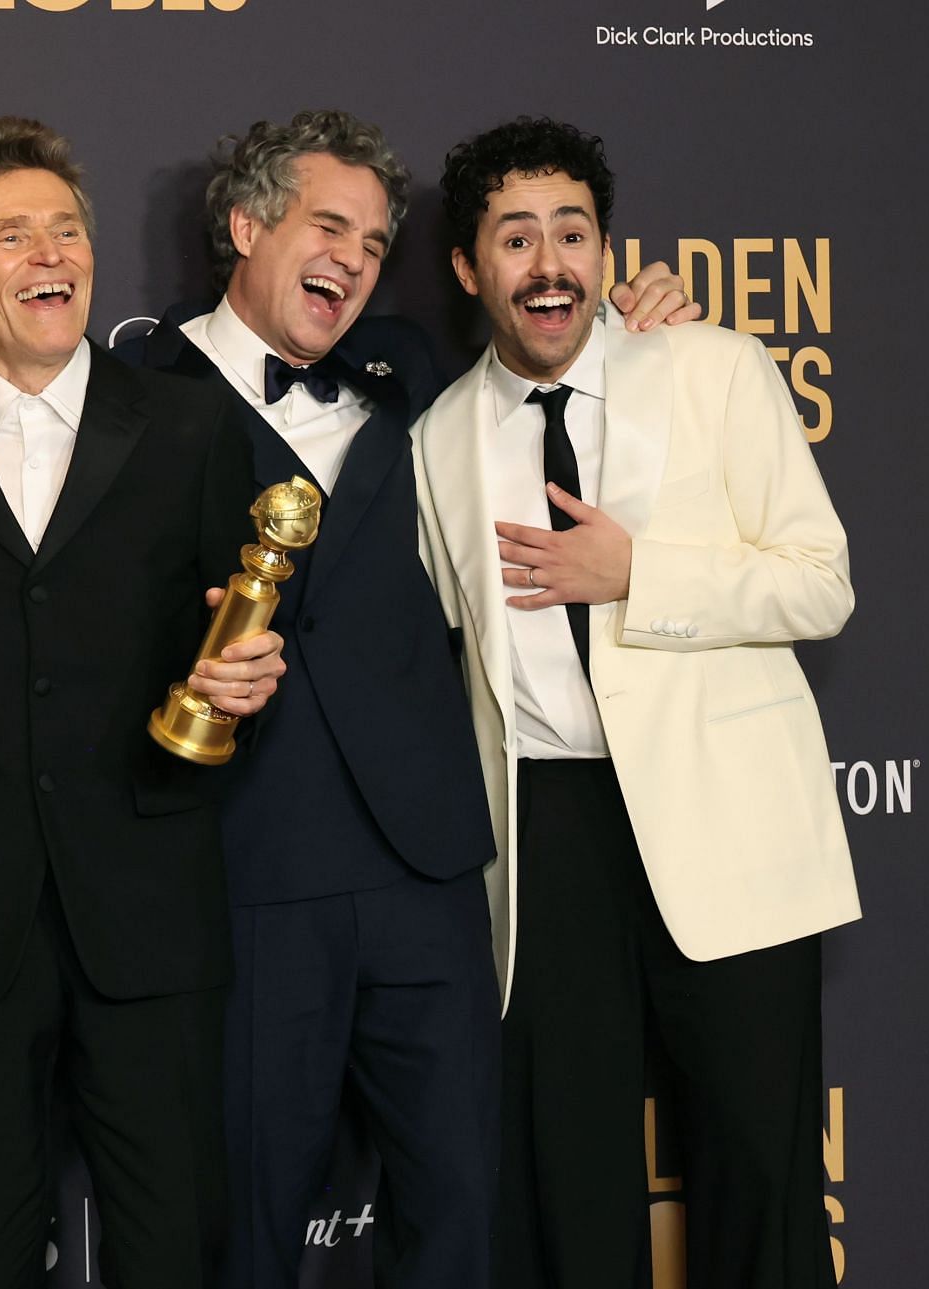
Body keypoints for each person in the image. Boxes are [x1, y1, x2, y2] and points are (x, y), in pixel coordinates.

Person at [113, 110, 698, 1289]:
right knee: (253, 1214)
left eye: (377, 243)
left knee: (459, 1210)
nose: (356, 259)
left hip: (428, 866)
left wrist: (649, 326)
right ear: (244, 224)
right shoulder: (127, 394)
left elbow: (557, 344)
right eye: (329, 227)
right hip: (250, 866)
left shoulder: (413, 367)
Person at [0, 116, 285, 1288]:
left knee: (171, 1234)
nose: (51, 253)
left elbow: (247, 629)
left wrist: (249, 680)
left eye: (68, 229)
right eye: (14, 232)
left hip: (150, 900)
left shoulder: (191, 426)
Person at [413, 117, 859, 1289]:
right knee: (569, 1185)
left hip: (729, 826)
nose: (549, 261)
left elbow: (822, 583)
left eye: (573, 231)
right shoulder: (436, 439)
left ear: (607, 251)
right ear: (471, 268)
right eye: (516, 238)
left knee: (760, 1175)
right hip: (548, 844)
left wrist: (637, 577)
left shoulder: (714, 367)